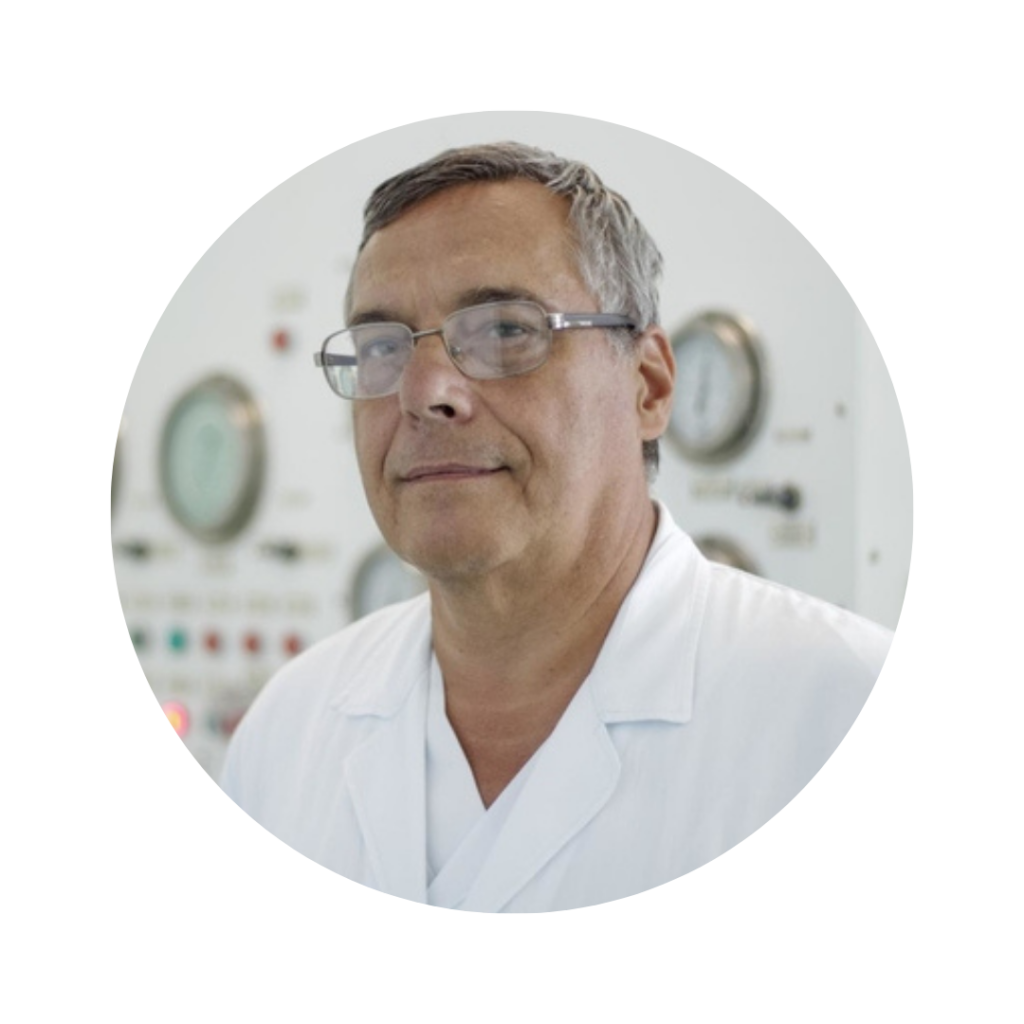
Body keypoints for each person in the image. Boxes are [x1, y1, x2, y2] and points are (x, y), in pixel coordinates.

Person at [221, 142, 895, 912]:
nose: (425, 391)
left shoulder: (832, 706)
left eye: (505, 331)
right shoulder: (289, 728)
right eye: (381, 348)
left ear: (648, 385)